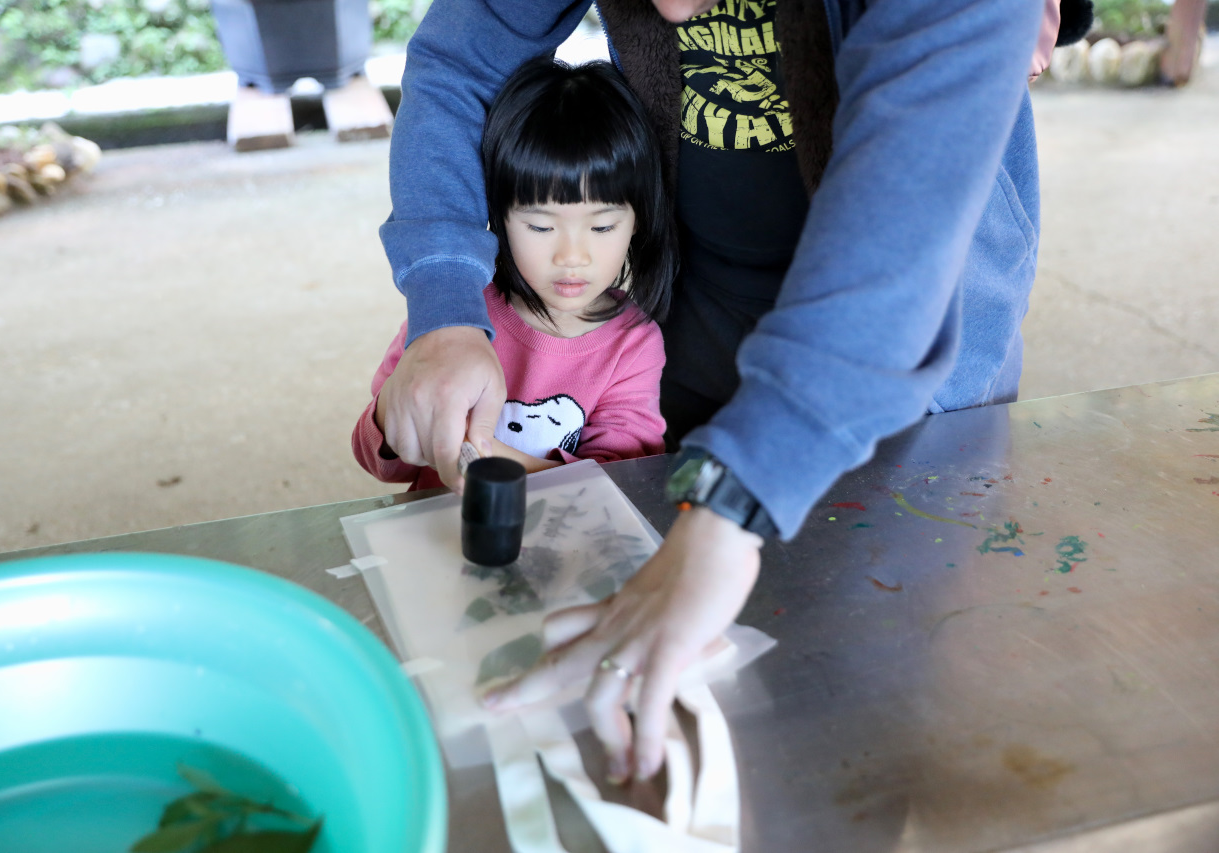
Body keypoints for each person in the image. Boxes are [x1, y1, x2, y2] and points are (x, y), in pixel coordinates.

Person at [375, 0, 1084, 787]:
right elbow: (459, 61)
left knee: (877, 695)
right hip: (700, 317)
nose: (670, 11)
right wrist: (442, 303)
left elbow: (903, 218)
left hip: (908, 371)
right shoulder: (641, 352)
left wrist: (735, 501)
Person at [355, 57, 677, 489]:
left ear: (637, 220)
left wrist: (481, 452)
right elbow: (377, 460)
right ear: (498, 217)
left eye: (602, 226)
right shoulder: (454, 316)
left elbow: (622, 484)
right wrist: (394, 414)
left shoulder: (632, 346)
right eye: (541, 226)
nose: (572, 256)